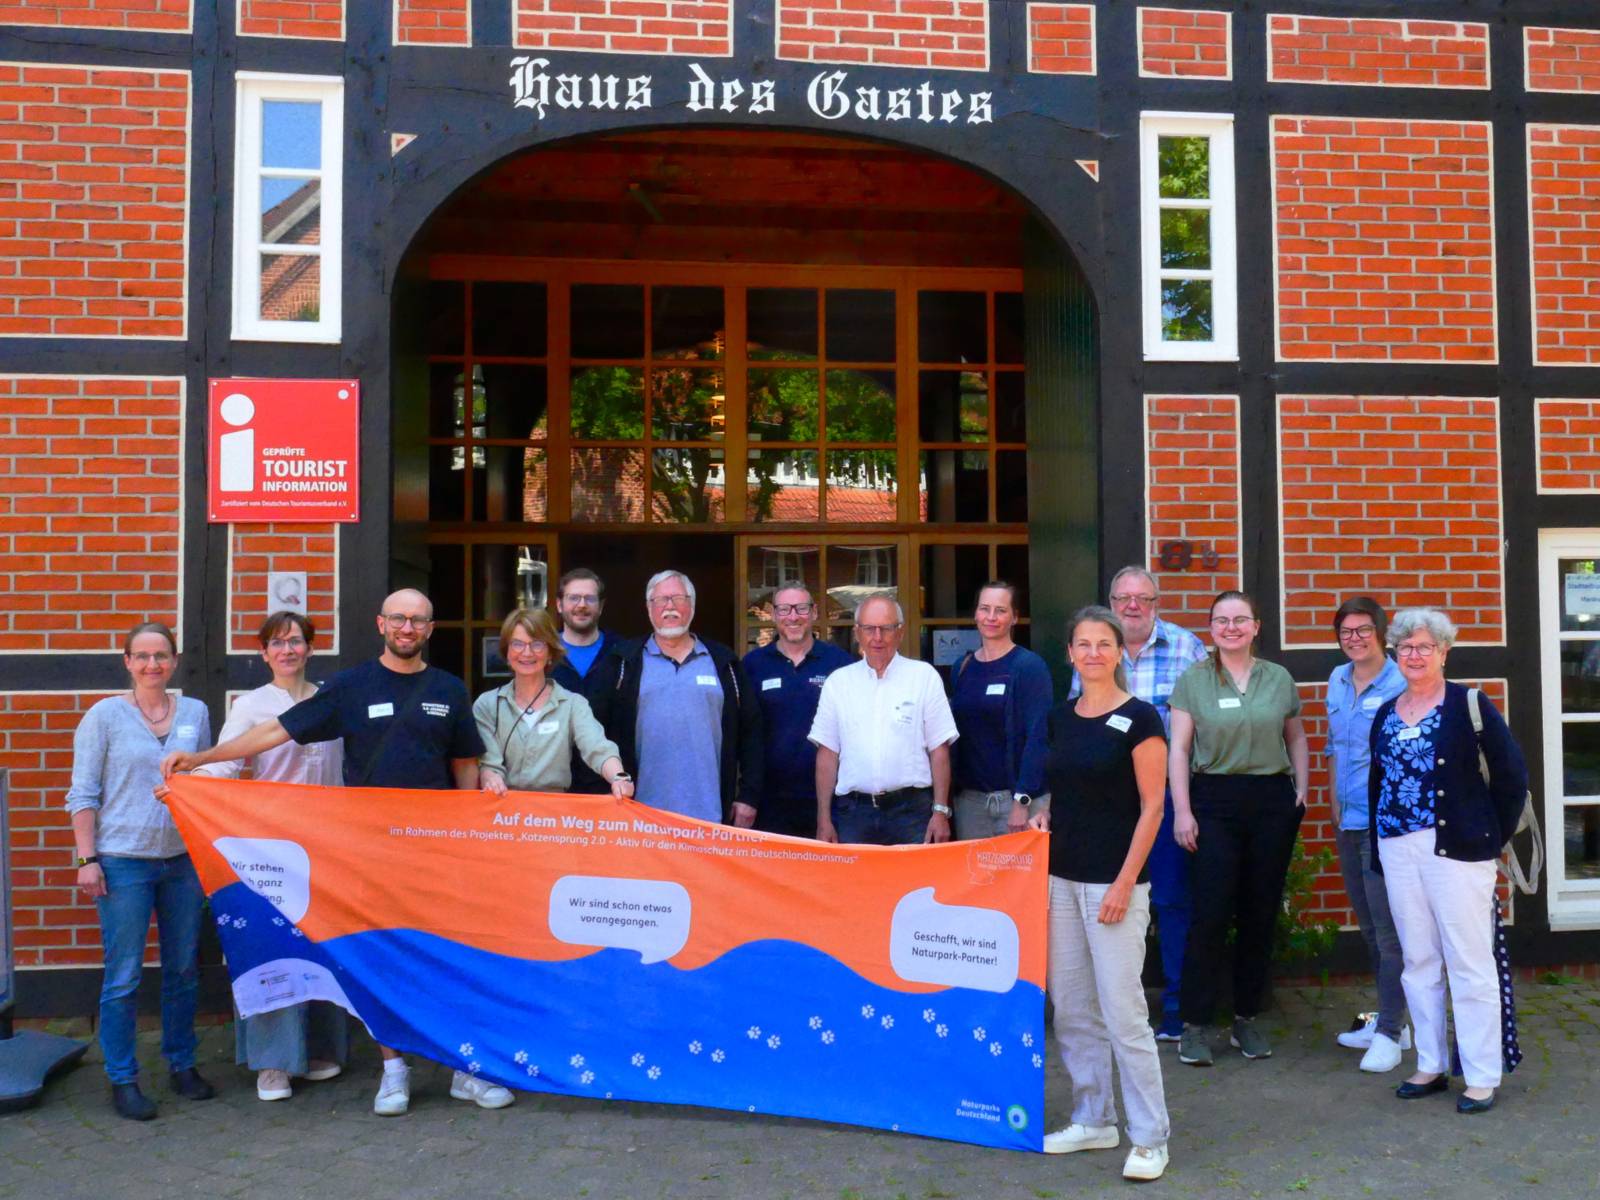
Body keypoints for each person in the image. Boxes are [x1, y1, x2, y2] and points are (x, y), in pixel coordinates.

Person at [162, 588, 508, 1118]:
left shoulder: (449, 690)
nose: (407, 628)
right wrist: (202, 759)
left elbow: (465, 764)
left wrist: (465, 839)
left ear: (430, 628)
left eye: (417, 620)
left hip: (435, 852)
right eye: (398, 618)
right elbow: (275, 731)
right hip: (367, 850)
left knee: (445, 957)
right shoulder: (350, 686)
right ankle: (394, 1071)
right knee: (381, 958)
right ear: (381, 623)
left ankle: (465, 1069)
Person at [1369, 609, 1528, 1114]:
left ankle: (1482, 1075)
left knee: (1469, 961)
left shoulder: (1469, 704)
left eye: (1424, 647)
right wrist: (1382, 844)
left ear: (1444, 652)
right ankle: (1431, 1063)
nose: (1414, 656)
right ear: (1395, 654)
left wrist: (1489, 838)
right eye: (1405, 648)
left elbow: (1511, 777)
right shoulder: (1387, 711)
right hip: (1399, 847)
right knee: (1418, 961)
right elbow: (1379, 782)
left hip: (1458, 851)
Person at [1033, 606, 1170, 1180]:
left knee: (1124, 1014)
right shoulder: (1059, 719)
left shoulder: (1142, 719)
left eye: (1103, 643)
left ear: (1119, 652)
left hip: (1115, 887)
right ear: (1070, 653)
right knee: (1073, 1010)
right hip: (1059, 882)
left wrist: (1122, 883)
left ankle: (1150, 1137)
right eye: (1082, 644)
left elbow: (1153, 807)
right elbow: (1054, 792)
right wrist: (1039, 814)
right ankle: (1094, 1117)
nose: (1093, 652)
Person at [191, 611, 349, 1103]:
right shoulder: (251, 706)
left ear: (309, 648)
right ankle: (273, 1063)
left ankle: (317, 1050)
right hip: (270, 846)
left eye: (296, 641)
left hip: (327, 843)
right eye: (277, 643)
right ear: (263, 653)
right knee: (271, 948)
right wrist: (187, 787)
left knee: (322, 946)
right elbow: (224, 765)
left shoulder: (331, 700)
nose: (287, 650)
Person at [66, 621, 215, 1121]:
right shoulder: (105, 716)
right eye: (143, 656)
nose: (153, 664)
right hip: (124, 860)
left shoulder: (195, 711)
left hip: (182, 861)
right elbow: (83, 793)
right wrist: (87, 859)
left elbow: (207, 780)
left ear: (174, 661)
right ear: (127, 662)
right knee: (124, 975)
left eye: (162, 655)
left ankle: (181, 1063)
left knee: (182, 969)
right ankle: (122, 1077)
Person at [1168, 590, 1309, 1067]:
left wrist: (1301, 792)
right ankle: (1194, 1024)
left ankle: (1246, 1019)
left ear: (1256, 626)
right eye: (1221, 620)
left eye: (1240, 619)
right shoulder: (1192, 680)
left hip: (1270, 800)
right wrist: (1183, 811)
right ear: (1211, 628)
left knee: (1259, 913)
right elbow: (1179, 750)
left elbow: (1297, 737)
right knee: (1209, 914)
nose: (1231, 627)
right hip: (1214, 801)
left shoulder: (1279, 679)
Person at [1070, 567, 1206, 1042]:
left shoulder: (1187, 649)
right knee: (1105, 896)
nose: (1132, 606)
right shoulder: (1095, 648)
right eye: (1122, 598)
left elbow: (1202, 724)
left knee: (1170, 900)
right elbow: (1076, 720)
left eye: (1142, 599)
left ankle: (1174, 1006)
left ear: (1156, 602)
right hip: (1105, 800)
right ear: (1110, 600)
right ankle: (1107, 1010)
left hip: (1164, 795)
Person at [588, 570, 764, 825]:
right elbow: (594, 731)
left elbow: (751, 730)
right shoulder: (623, 662)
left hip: (711, 814)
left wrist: (748, 795)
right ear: (649, 608)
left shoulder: (723, 662)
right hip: (640, 815)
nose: (669, 607)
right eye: (661, 600)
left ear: (691, 605)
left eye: (678, 598)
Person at [1324, 597, 1410, 1072]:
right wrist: (1334, 803)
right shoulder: (1338, 680)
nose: (1354, 638)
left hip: (1386, 825)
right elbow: (1336, 745)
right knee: (1369, 927)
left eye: (1363, 630)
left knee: (1389, 931)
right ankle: (1394, 1019)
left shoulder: (1401, 682)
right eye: (1346, 632)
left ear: (1381, 634)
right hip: (1348, 819)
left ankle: (1392, 1033)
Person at [810, 594, 959, 845]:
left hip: (911, 813)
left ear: (899, 632)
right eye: (869, 629)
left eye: (886, 628)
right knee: (857, 885)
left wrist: (940, 811)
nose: (877, 637)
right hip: (854, 814)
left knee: (915, 885)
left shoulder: (923, 677)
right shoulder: (838, 682)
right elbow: (827, 754)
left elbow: (939, 750)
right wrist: (823, 818)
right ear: (857, 632)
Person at [475, 606, 634, 798]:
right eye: (517, 644)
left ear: (550, 652)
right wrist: (491, 779)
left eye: (537, 644)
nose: (527, 653)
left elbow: (598, 748)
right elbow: (489, 765)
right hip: (504, 811)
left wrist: (619, 777)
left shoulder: (573, 704)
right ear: (507, 652)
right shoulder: (488, 704)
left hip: (553, 816)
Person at [741, 579, 853, 837]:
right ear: (773, 614)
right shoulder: (753, 665)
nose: (793, 617)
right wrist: (746, 794)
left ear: (814, 613)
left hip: (831, 801)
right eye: (784, 609)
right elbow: (745, 733)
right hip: (769, 802)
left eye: (801, 608)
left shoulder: (840, 664)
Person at [949, 581, 1052, 840]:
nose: (991, 617)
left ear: (1015, 617)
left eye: (1001, 610)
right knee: (974, 880)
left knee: (1018, 880)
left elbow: (1038, 736)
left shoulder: (1029, 666)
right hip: (970, 803)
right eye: (985, 609)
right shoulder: (962, 666)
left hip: (1014, 801)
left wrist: (1022, 800)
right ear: (975, 614)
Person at [551, 568, 613, 794]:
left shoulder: (622, 654)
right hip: (555, 786)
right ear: (559, 605)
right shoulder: (542, 655)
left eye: (589, 598)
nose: (582, 605)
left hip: (610, 785)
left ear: (601, 606)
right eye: (573, 598)